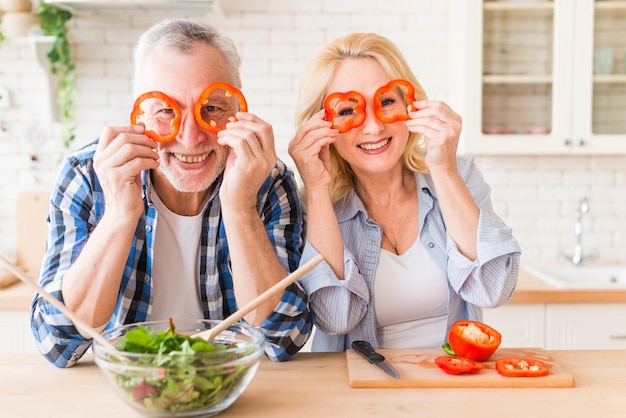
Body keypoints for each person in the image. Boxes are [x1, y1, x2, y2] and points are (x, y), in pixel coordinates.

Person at [31, 19, 311, 368]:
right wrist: (119, 214)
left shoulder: (267, 180)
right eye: (165, 110)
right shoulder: (87, 174)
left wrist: (239, 207)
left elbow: (283, 339)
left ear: (238, 113)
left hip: (228, 385)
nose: (190, 137)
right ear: (138, 113)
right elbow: (58, 343)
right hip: (125, 388)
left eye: (211, 108)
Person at [288, 32, 521, 352]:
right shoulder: (310, 205)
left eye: (386, 102)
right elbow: (335, 318)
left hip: (452, 382)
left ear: (411, 106)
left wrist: (443, 168)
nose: (373, 128)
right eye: (347, 111)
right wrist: (315, 187)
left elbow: (493, 290)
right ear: (322, 126)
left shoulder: (459, 175)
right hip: (359, 392)